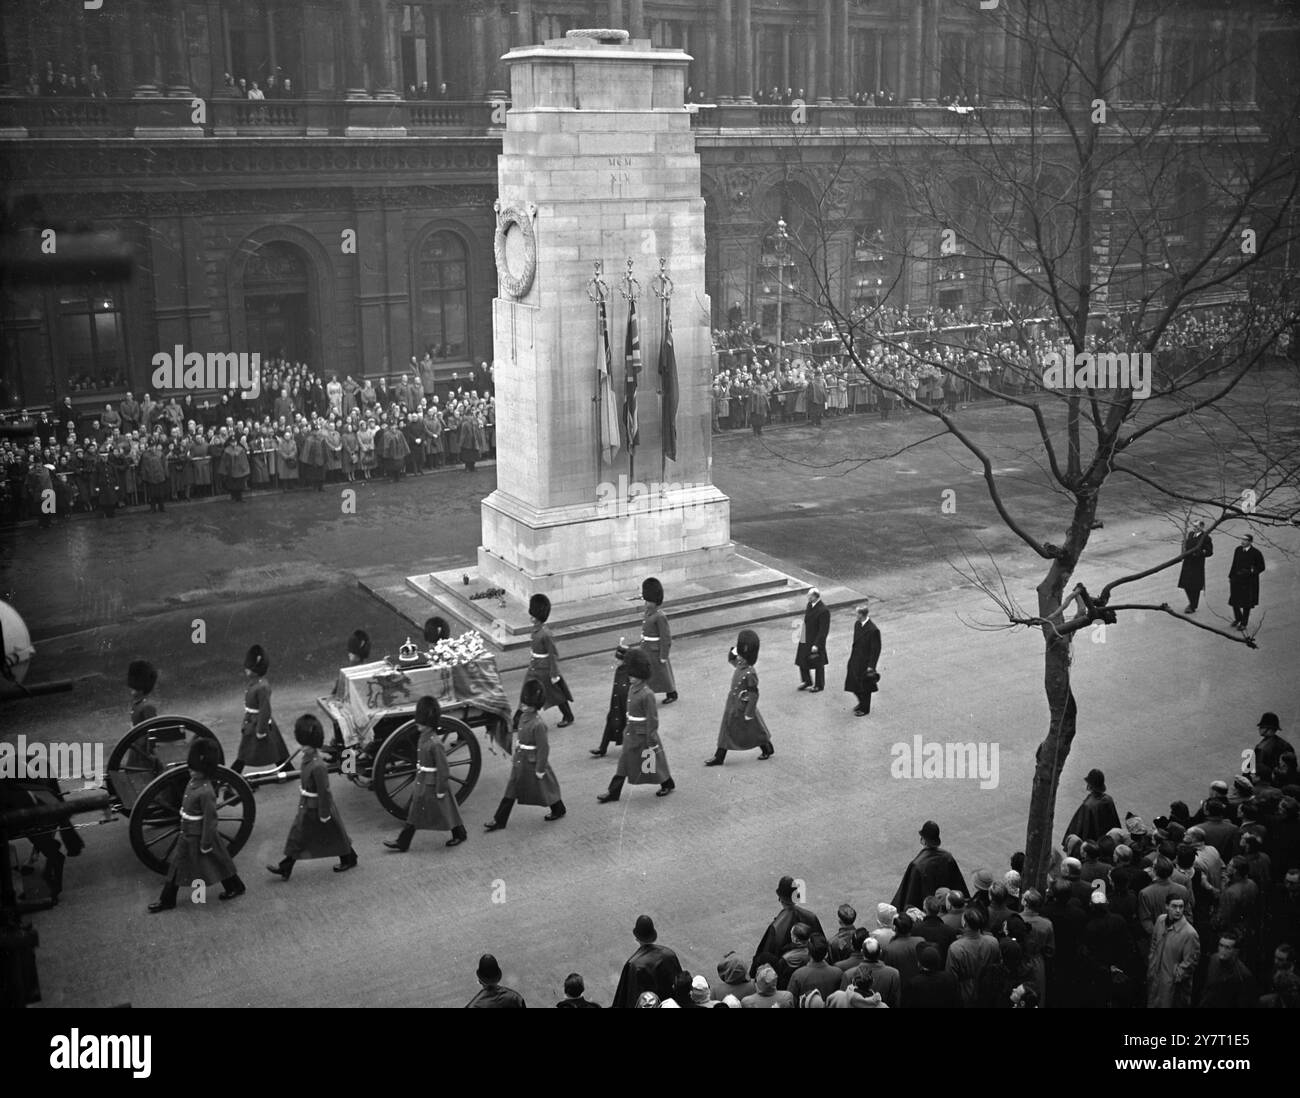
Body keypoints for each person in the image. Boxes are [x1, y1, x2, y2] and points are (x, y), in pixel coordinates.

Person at [148, 739, 246, 911]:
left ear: (205, 770)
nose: (192, 772)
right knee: (180, 865)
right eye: (191, 768)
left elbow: (210, 820)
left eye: (196, 770)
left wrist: (206, 843)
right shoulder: (193, 782)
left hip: (200, 835)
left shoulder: (206, 792)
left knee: (217, 862)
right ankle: (168, 899)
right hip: (187, 833)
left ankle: (235, 886)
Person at [267, 714, 358, 878]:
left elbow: (324, 792)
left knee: (329, 834)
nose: (302, 747)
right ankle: (286, 866)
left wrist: (324, 814)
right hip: (308, 804)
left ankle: (349, 857)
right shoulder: (311, 758)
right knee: (299, 834)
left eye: (305, 744)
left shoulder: (318, 765)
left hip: (316, 807)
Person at [383, 695, 469, 851]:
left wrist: (441, 789)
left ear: (428, 723)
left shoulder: (435, 743)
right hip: (423, 780)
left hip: (433, 782)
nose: (417, 723)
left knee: (446, 809)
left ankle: (460, 833)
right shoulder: (424, 738)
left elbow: (443, 769)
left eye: (421, 721)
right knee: (416, 810)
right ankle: (403, 842)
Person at [485, 678, 566, 830]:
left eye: (527, 705)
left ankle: (558, 808)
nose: (523, 706)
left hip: (533, 761)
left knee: (545, 787)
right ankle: (500, 820)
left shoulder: (538, 724)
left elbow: (543, 749)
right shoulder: (524, 717)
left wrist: (540, 769)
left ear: (534, 706)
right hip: (521, 760)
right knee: (511, 788)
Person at [597, 648, 674, 802]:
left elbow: (652, 719)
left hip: (644, 734)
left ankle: (667, 783)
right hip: (631, 732)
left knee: (652, 764)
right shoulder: (633, 688)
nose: (630, 677)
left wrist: (651, 739)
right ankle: (613, 792)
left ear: (641, 676)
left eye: (633, 675)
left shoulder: (647, 694)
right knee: (624, 761)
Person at [706, 628, 774, 766]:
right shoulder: (740, 664)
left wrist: (749, 712)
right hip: (732, 702)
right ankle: (719, 756)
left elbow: (753, 693)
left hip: (744, 704)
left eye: (742, 657)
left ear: (747, 658)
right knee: (726, 728)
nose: (739, 659)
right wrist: (737, 649)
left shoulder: (750, 672)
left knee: (754, 728)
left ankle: (767, 746)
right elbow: (731, 658)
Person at [750, 875, 824, 977]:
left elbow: (765, 957)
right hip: (813, 971)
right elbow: (821, 945)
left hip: (785, 975)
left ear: (780, 898)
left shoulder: (776, 927)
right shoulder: (811, 917)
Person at [232, 644, 290, 774]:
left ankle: (234, 773)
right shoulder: (255, 682)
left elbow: (265, 710)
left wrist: (261, 730)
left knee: (245, 750)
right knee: (275, 747)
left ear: (255, 670)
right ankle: (287, 769)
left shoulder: (262, 687)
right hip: (252, 720)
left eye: (248, 668)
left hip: (257, 722)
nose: (245, 670)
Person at [892, 819, 970, 911]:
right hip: (947, 907)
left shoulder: (917, 865)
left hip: (928, 911)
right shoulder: (948, 857)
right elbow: (958, 885)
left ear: (924, 840)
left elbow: (909, 896)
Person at [522, 594, 575, 727]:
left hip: (544, 669)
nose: (531, 618)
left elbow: (553, 655)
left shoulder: (545, 633)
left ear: (539, 617)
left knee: (556, 694)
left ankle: (568, 716)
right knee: (526, 690)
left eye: (533, 616)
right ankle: (519, 718)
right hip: (535, 666)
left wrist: (554, 673)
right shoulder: (537, 630)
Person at [613, 915, 682, 1007]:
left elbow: (626, 998)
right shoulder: (670, 955)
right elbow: (680, 986)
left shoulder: (633, 965)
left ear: (637, 938)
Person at [1147, 896, 1200, 1007]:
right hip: (1156, 979)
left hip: (1173, 985)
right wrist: (1152, 964)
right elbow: (1154, 944)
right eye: (1174, 906)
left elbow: (1190, 963)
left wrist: (1174, 977)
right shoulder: (1161, 920)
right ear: (1167, 906)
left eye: (1181, 907)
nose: (1178, 910)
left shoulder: (1189, 933)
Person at [636, 577, 677, 703]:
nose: (646, 603)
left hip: (656, 651)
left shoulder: (660, 616)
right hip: (647, 649)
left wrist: (663, 655)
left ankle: (672, 693)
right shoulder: (649, 612)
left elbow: (666, 638)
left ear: (655, 601)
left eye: (648, 601)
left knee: (663, 674)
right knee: (650, 674)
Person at [589, 644, 629, 757]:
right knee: (610, 723)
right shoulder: (620, 670)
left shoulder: (630, 672)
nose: (616, 661)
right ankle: (602, 748)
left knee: (626, 726)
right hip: (617, 702)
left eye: (618, 659)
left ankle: (628, 749)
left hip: (625, 705)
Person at [1063, 768, 1122, 843]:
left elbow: (1079, 830)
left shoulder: (1088, 806)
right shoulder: (1109, 800)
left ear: (1090, 785)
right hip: (1108, 844)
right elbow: (1115, 824)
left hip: (1093, 846)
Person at [843, 603, 881, 715]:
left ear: (861, 614)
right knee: (853, 684)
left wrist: (871, 666)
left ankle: (865, 709)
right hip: (855, 659)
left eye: (857, 613)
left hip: (865, 663)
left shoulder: (873, 630)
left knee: (865, 687)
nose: (856, 615)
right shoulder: (857, 624)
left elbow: (876, 650)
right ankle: (861, 702)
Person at [1227, 532, 1265, 629]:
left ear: (1250, 542)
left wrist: (1251, 571)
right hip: (1236, 579)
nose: (1243, 541)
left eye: (1245, 540)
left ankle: (1244, 623)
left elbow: (1261, 567)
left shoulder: (1256, 553)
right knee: (1234, 601)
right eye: (1242, 539)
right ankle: (1238, 618)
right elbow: (1234, 563)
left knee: (1246, 603)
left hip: (1248, 582)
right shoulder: (1238, 550)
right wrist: (1231, 576)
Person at [795, 587, 830, 692]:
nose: (808, 597)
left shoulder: (824, 610)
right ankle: (807, 681)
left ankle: (819, 685)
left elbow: (823, 630)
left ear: (815, 596)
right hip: (806, 637)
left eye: (809, 596)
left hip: (816, 640)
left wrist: (817, 644)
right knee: (802, 659)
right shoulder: (810, 605)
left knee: (818, 663)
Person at [1177, 519, 1214, 612]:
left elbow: (1209, 552)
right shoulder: (1190, 534)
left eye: (1197, 527)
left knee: (1195, 586)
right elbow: (1187, 545)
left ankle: (1193, 606)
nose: (1195, 528)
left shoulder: (1206, 538)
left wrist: (1199, 553)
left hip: (1197, 564)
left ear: (1201, 527)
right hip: (1188, 563)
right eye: (1194, 526)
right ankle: (1192, 602)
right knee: (1185, 584)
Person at [219, 434, 250, 502]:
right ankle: (233, 497)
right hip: (231, 471)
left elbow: (244, 459)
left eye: (235, 441)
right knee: (232, 485)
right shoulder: (227, 450)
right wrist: (226, 469)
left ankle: (240, 497)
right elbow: (224, 461)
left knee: (240, 484)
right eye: (232, 442)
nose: (234, 443)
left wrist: (244, 468)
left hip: (239, 470)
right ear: (230, 442)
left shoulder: (241, 449)